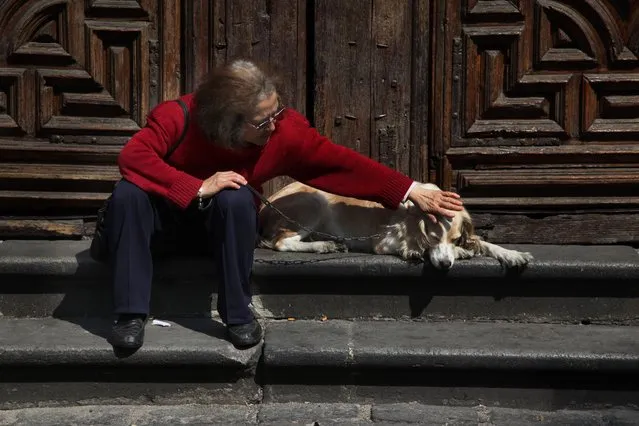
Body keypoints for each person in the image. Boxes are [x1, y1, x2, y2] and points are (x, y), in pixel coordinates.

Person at [105, 59, 464, 350]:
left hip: (221, 232)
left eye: (278, 112)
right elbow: (133, 156)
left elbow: (338, 163)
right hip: (160, 229)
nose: (275, 125)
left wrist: (409, 189)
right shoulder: (178, 116)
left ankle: (237, 314)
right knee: (128, 194)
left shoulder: (284, 132)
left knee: (236, 196)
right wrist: (197, 186)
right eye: (265, 120)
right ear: (229, 123)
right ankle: (130, 313)